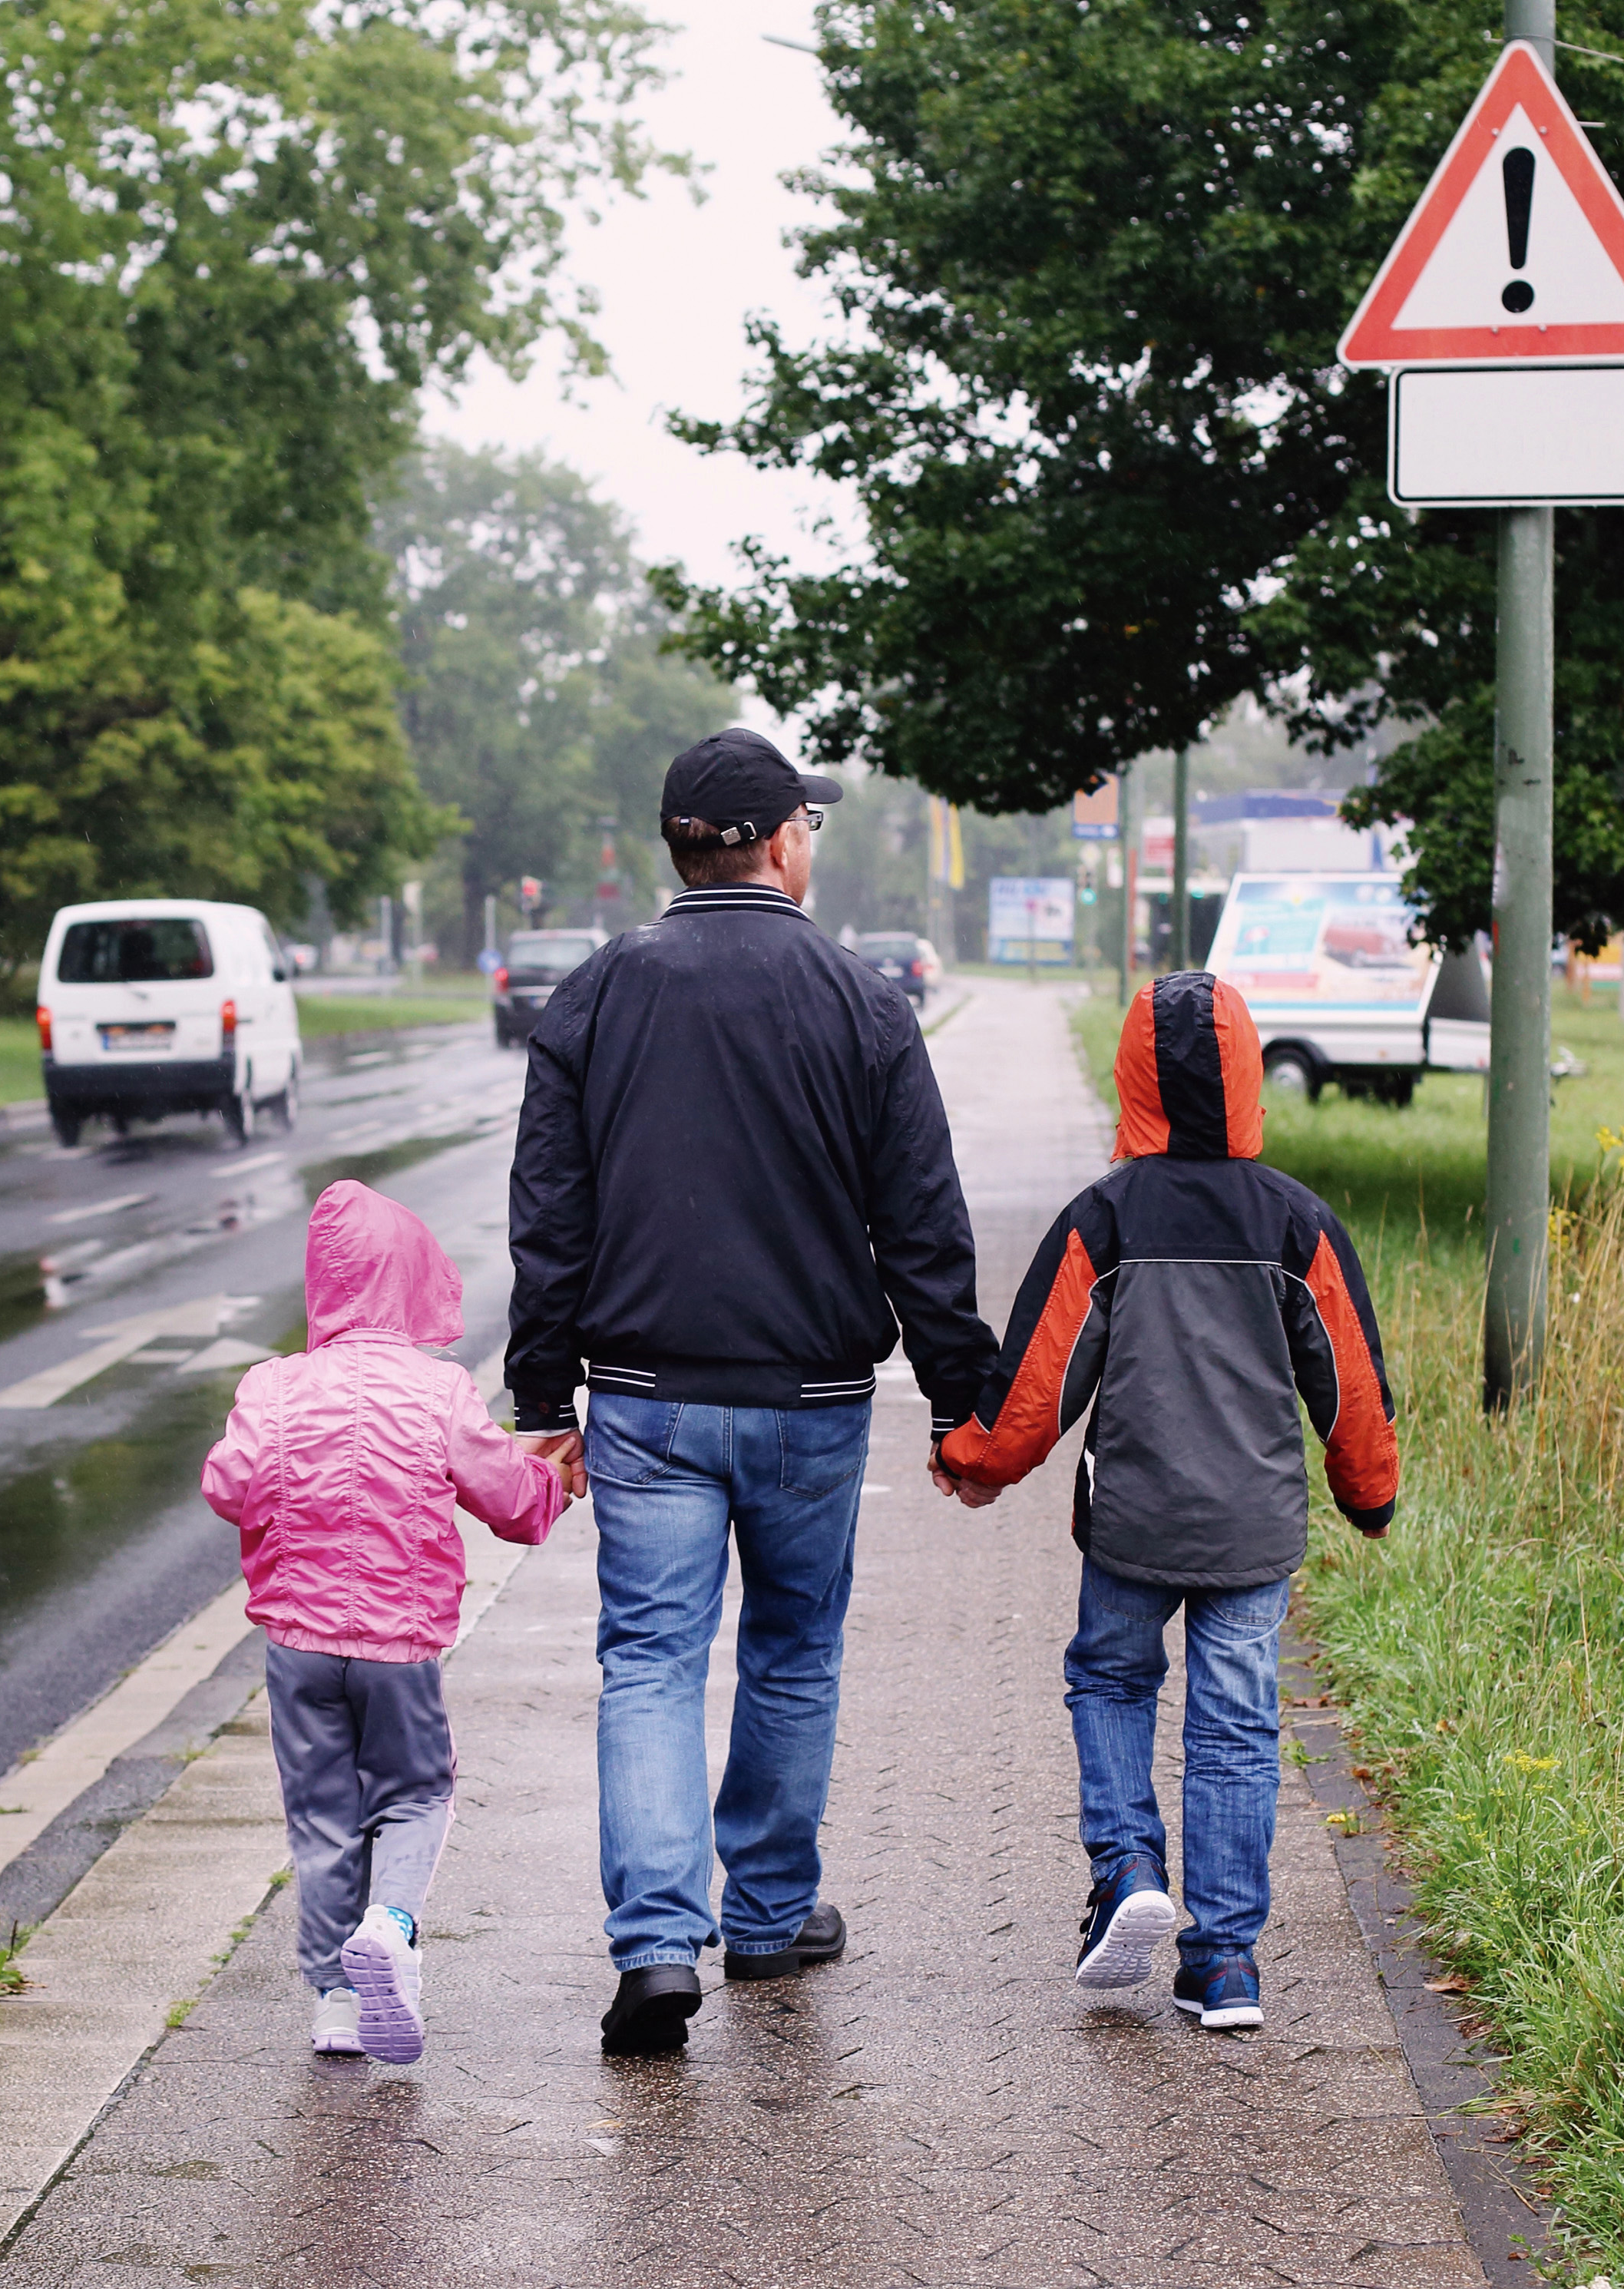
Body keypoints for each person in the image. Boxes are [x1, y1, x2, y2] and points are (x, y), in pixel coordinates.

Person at [508, 726, 1001, 2058]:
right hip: (810, 1398)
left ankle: (658, 1943)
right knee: (791, 1651)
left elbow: (550, 1215)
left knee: (649, 1662)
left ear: (681, 846)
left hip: (647, 1398)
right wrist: (964, 1402)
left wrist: (539, 1393)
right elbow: (922, 1228)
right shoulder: (860, 1003)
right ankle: (770, 1914)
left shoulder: (599, 995)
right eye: (810, 827)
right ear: (779, 840)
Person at [936, 973, 1398, 2030]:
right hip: (1253, 1526)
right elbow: (1348, 1381)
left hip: (1133, 1524)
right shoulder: (1295, 1220)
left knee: (1108, 1676)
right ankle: (1225, 1963)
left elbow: (1040, 1379)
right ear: (1246, 1080)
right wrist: (1366, 1495)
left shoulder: (1106, 1216)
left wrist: (976, 1461)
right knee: (1235, 1725)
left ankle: (1127, 1862)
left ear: (1131, 1080)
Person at [201, 1179, 567, 2062]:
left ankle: (334, 1999)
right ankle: (392, 1923)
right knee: (413, 1793)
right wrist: (552, 1474)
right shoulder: (436, 1390)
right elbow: (510, 1499)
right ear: (412, 1280)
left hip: (297, 1642)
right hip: (399, 1646)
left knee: (323, 1815)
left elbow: (228, 1483)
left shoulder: (272, 1385)